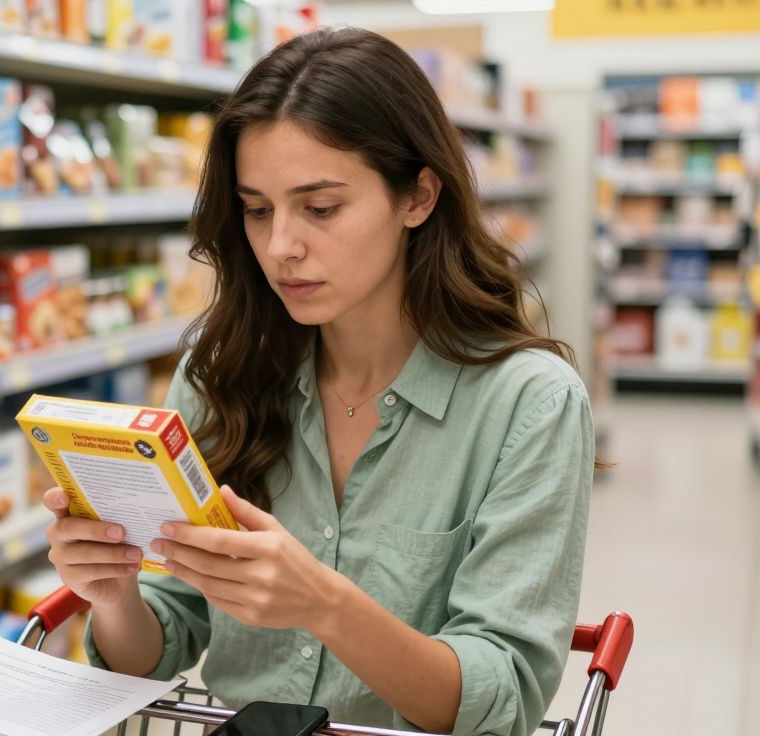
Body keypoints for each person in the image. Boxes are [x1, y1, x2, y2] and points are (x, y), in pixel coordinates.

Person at [41, 27, 594, 736]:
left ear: (418, 197)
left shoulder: (529, 405)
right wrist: (114, 593)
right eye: (257, 208)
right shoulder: (220, 373)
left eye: (321, 208)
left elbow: (502, 704)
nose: (280, 247)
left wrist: (323, 604)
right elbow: (162, 643)